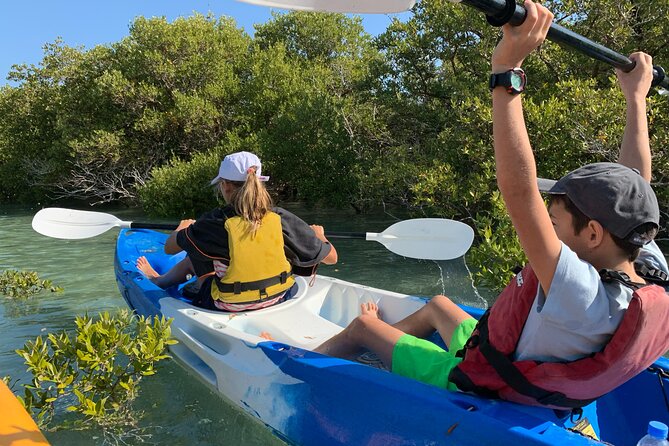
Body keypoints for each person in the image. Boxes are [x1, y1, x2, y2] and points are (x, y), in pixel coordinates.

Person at [315, 0, 669, 409]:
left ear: (591, 233)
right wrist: (636, 99)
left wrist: (508, 70)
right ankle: (393, 353)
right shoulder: (643, 264)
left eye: (554, 222)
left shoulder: (581, 295)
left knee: (361, 325)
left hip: (479, 383)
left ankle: (306, 363)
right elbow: (636, 185)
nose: (547, 228)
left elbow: (518, 191)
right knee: (439, 305)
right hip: (502, 356)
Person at [137, 151, 338, 312]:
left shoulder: (214, 222)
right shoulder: (280, 218)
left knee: (195, 250)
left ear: (225, 186)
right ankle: (169, 280)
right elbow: (332, 258)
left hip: (230, 304)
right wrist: (319, 236)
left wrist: (184, 227)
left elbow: (170, 248)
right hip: (279, 296)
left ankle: (160, 281)